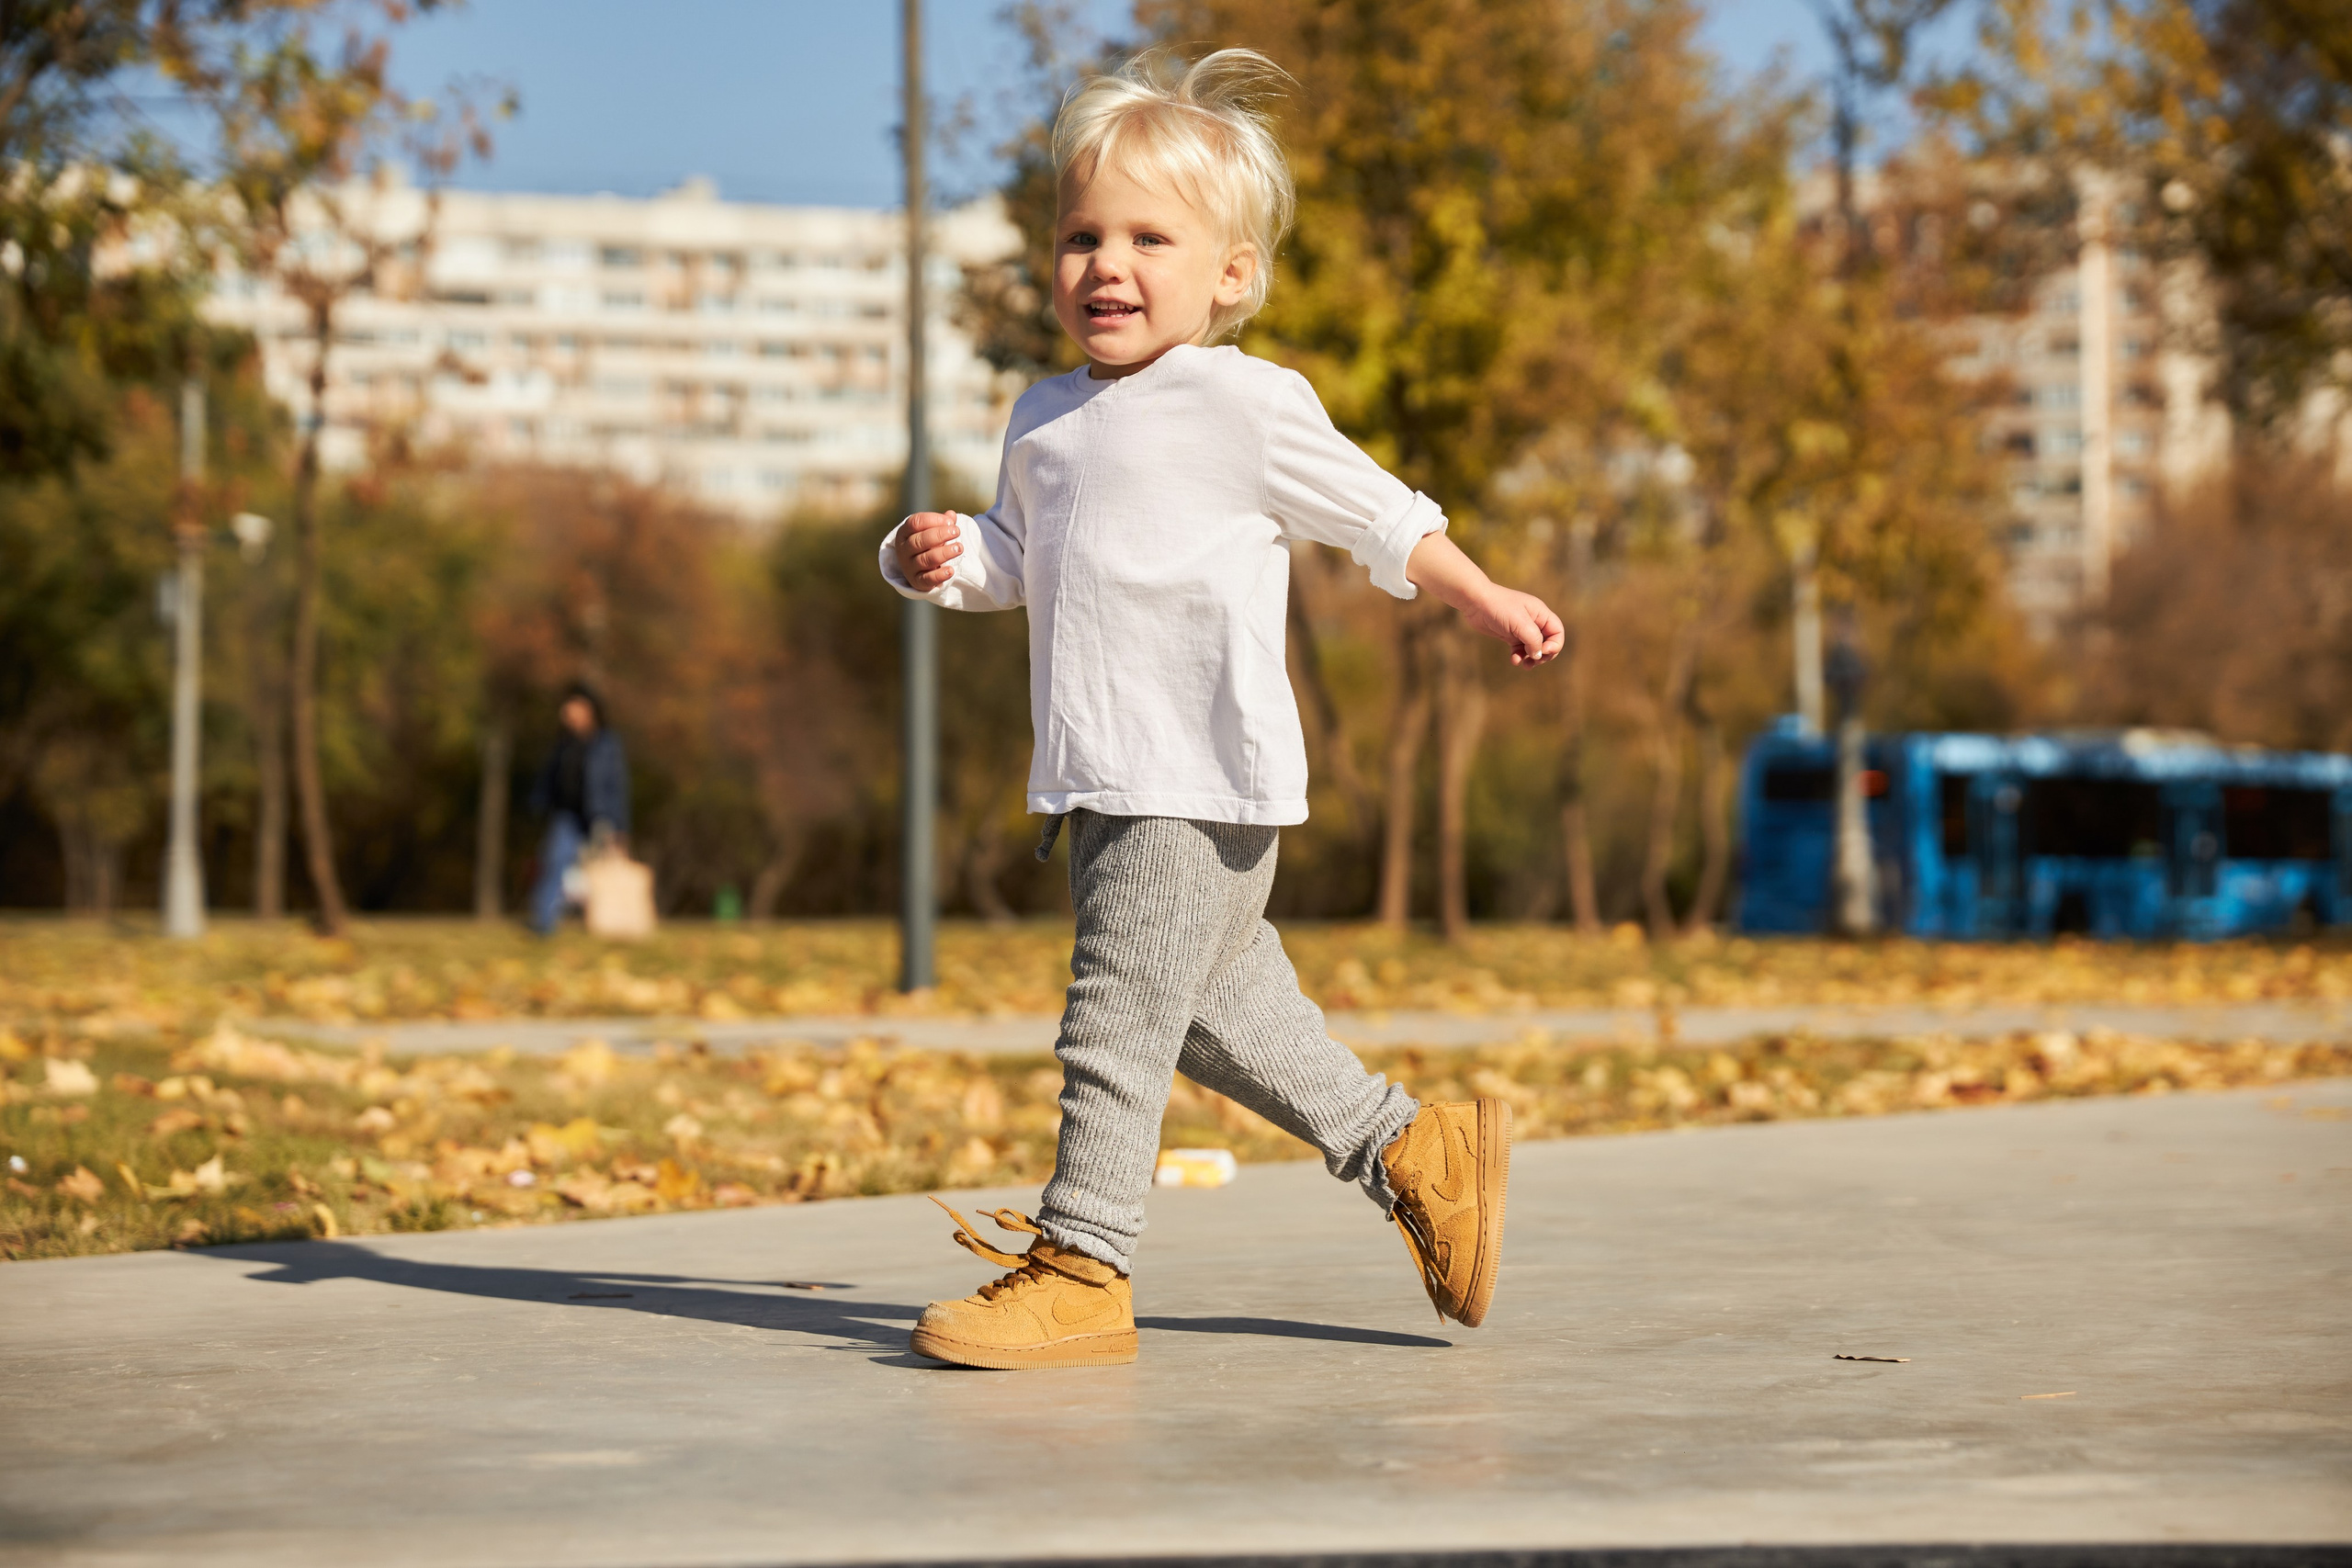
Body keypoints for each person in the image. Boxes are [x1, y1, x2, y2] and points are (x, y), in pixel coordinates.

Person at [879, 49, 1565, 1371]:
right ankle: (1419, 1150)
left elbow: (1377, 507)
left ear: (1230, 274)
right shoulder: (1045, 420)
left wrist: (1474, 588)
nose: (1106, 265)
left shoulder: (1246, 403)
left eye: (1148, 236)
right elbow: (1019, 559)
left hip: (1192, 774)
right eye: (1081, 236)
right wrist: (943, 558)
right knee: (1203, 1014)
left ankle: (1083, 1261)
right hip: (1100, 777)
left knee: (1111, 1021)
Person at [525, 682, 630, 936]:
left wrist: (621, 827)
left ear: (589, 710)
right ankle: (544, 922)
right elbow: (549, 779)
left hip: (599, 816)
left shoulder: (606, 744)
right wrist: (537, 802)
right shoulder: (563, 743)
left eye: (574, 707)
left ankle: (611, 923)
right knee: (555, 862)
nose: (567, 713)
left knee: (602, 871)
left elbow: (618, 787)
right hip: (567, 816)